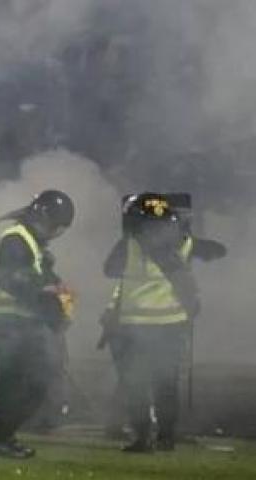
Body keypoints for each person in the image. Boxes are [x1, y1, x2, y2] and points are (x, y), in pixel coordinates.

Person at [102, 193, 226, 453]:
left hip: (139, 326)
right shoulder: (172, 243)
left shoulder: (133, 245)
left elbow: (110, 269)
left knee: (143, 384)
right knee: (161, 384)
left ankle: (147, 438)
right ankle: (161, 438)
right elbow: (216, 251)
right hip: (162, 325)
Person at [0, 190, 75, 459]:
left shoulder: (31, 242)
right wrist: (46, 295)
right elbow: (8, 278)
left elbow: (37, 279)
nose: (55, 233)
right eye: (55, 226)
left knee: (24, 383)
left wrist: (56, 295)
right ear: (42, 215)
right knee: (27, 383)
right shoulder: (16, 239)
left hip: (21, 322)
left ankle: (2, 438)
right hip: (11, 322)